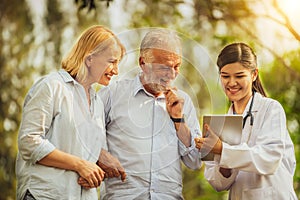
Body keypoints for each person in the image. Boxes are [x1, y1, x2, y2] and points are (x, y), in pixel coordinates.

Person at [16, 25, 126, 200]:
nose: (116, 70)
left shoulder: (97, 102)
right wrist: (80, 165)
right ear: (89, 58)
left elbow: (87, 157)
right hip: (45, 195)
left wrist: (95, 174)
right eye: (112, 61)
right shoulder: (52, 86)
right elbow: (29, 142)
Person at [96, 29, 202, 199]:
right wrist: (99, 154)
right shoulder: (112, 95)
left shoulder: (184, 102)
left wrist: (178, 120)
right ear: (143, 63)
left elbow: (195, 161)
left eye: (177, 66)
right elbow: (82, 133)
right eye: (164, 67)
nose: (172, 74)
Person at [195, 42, 297, 199]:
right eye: (225, 76)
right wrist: (223, 162)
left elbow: (269, 159)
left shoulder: (271, 109)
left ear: (254, 74)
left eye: (239, 76)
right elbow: (218, 184)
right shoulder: (217, 124)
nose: (231, 83)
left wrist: (223, 150)